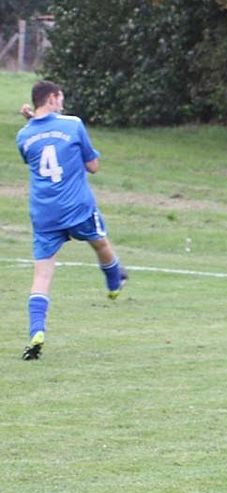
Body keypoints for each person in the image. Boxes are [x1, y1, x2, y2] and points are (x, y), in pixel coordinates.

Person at [15, 81, 127, 360]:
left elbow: (39, 144)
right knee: (100, 243)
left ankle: (36, 331)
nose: (62, 104)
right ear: (52, 98)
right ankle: (114, 282)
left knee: (42, 275)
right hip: (77, 207)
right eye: (61, 98)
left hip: (44, 213)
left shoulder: (23, 136)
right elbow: (93, 166)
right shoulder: (73, 124)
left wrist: (32, 121)